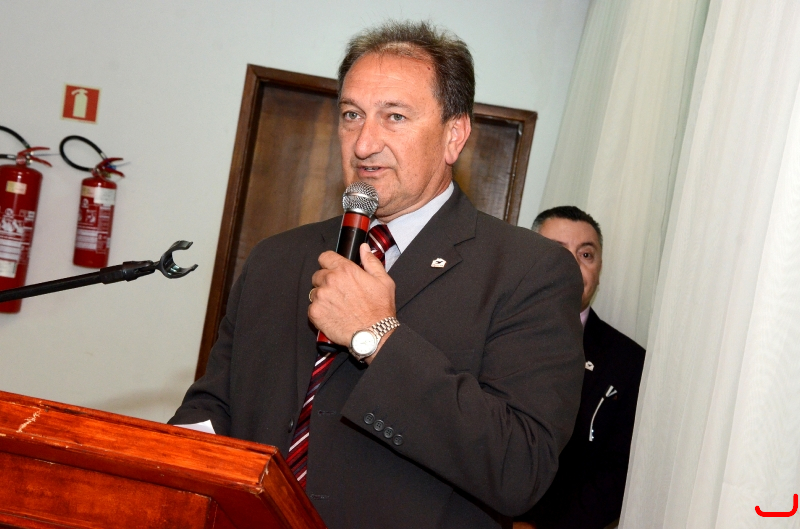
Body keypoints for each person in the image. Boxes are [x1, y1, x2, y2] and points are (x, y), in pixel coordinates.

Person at [170, 21, 585, 529]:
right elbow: (217, 403)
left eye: (395, 116)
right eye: (352, 115)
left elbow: (519, 468)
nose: (364, 143)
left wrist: (378, 336)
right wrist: (173, 467)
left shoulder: (529, 270)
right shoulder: (277, 257)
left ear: (454, 136)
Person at [515, 206, 646, 529]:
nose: (572, 266)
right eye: (557, 252)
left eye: (585, 255)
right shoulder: (485, 331)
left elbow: (618, 473)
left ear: (599, 270)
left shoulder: (628, 362)